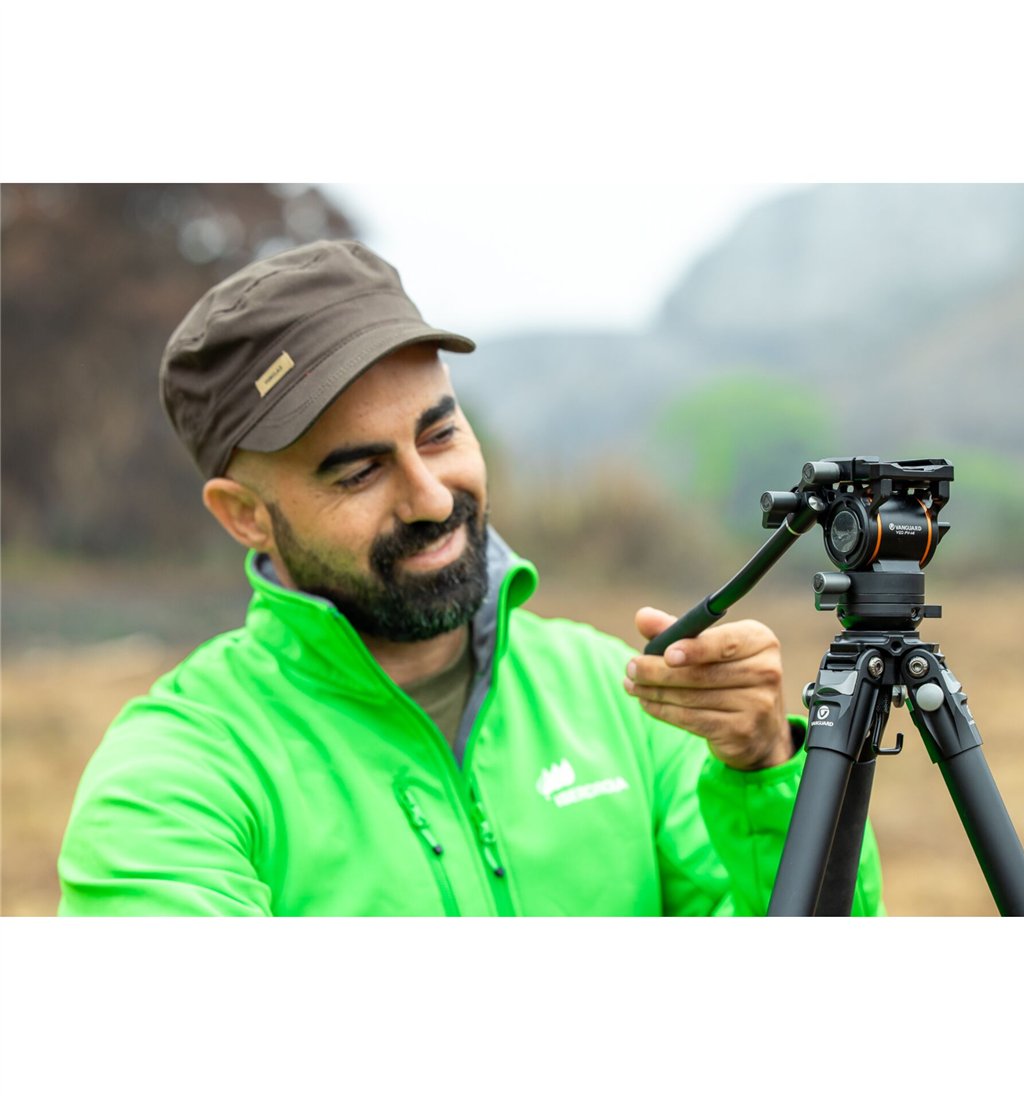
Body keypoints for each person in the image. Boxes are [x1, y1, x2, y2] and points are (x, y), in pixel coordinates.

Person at [57, 239, 885, 916]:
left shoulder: (629, 703)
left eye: (440, 434)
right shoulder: (175, 779)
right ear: (244, 514)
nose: (429, 497)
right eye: (358, 472)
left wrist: (766, 770)